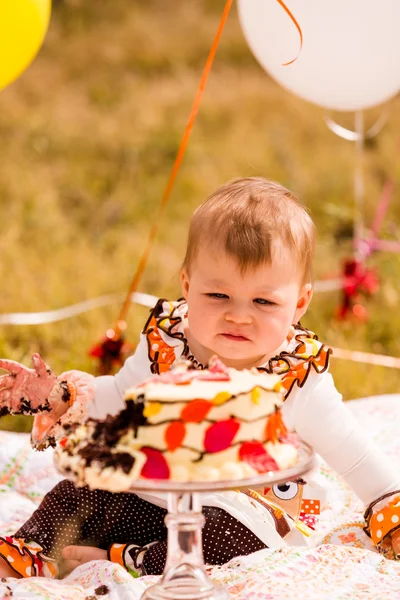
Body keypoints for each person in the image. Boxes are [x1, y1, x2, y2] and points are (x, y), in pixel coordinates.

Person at [0, 176, 399, 580]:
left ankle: (131, 560)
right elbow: (120, 398)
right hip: (152, 494)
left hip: (244, 510)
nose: (239, 316)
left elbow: (357, 453)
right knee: (76, 493)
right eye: (218, 296)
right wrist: (61, 396)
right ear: (188, 286)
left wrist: (391, 509)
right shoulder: (167, 344)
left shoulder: (298, 376)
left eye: (263, 301)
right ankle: (32, 554)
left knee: (231, 540)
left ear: (299, 303)